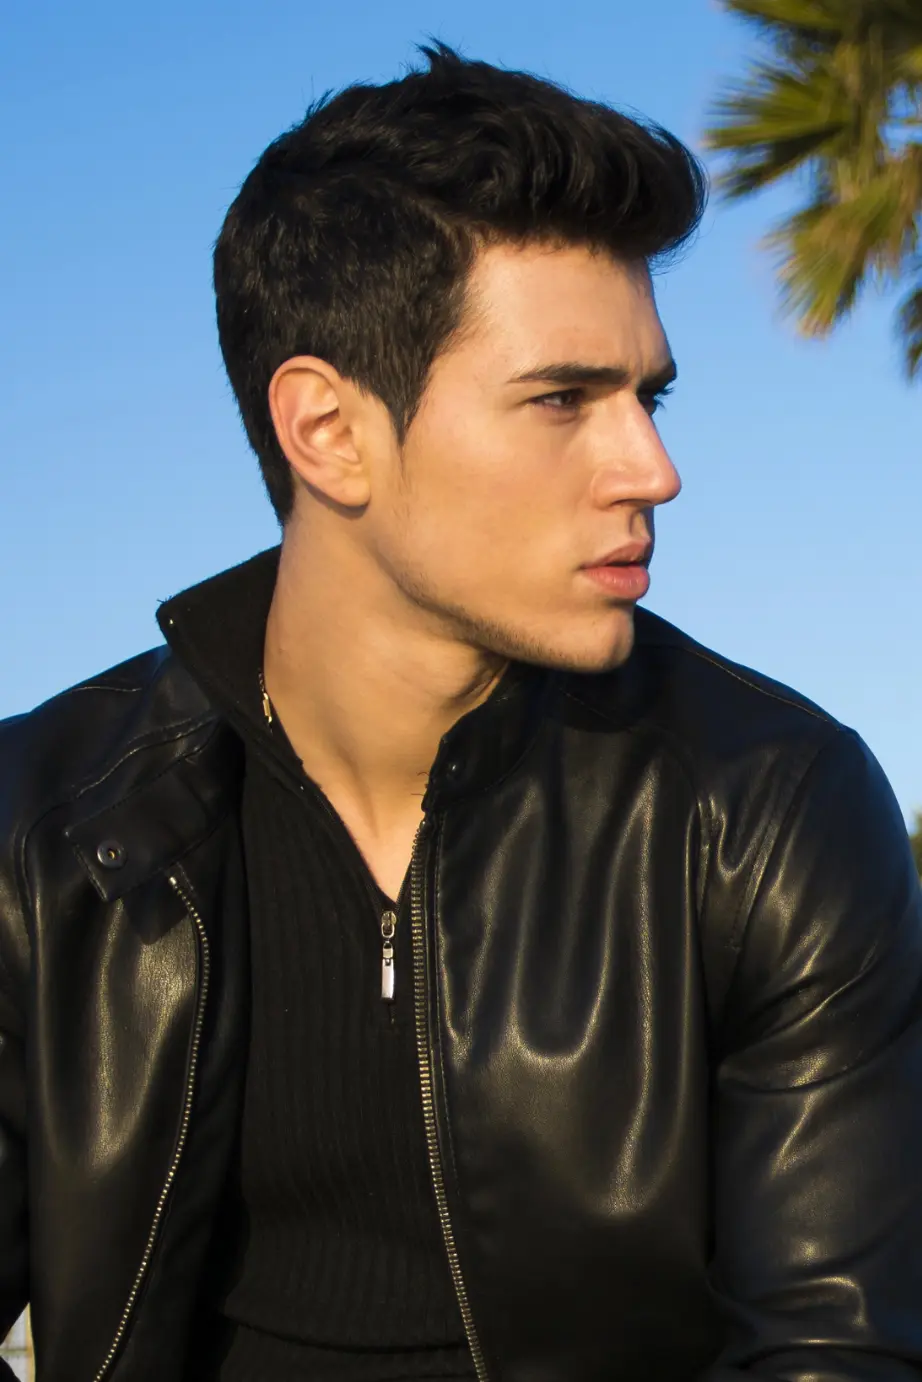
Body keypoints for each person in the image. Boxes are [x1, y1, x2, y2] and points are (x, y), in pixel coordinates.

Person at [2, 41, 921, 1382]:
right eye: (561, 399)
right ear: (327, 432)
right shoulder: (44, 824)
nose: (650, 469)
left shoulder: (765, 806)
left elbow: (833, 1350)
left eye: (646, 396)